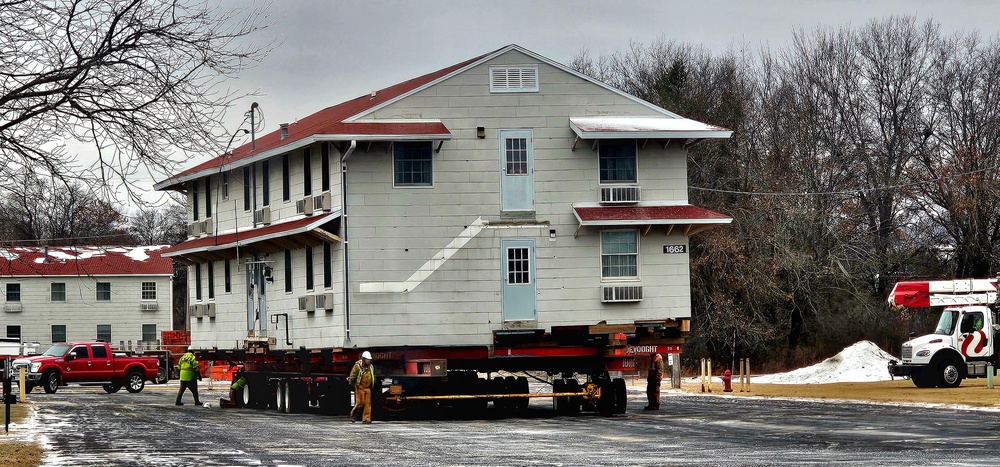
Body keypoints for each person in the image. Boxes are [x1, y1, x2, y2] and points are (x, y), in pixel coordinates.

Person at [348, 351, 374, 423]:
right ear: (363, 359)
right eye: (367, 359)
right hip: (360, 387)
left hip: (367, 387)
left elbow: (372, 376)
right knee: (360, 403)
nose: (369, 361)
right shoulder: (358, 366)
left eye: (369, 360)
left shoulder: (371, 367)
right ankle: (353, 415)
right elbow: (353, 375)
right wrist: (352, 384)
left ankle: (366, 419)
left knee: (368, 404)